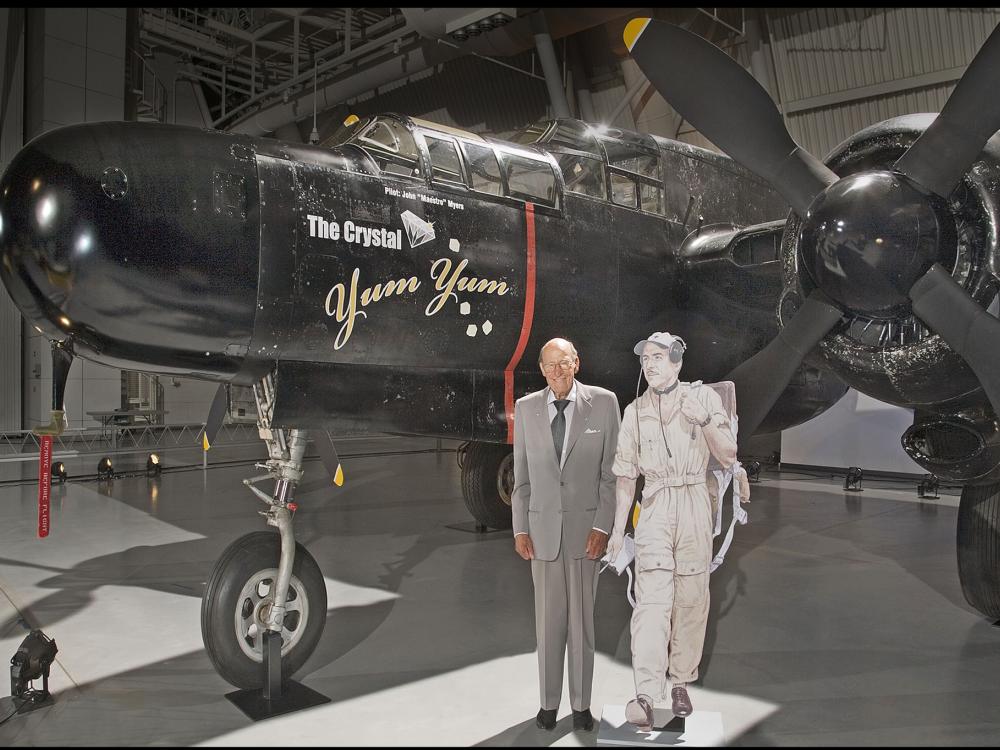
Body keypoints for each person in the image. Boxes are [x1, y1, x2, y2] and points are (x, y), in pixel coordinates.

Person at [606, 331, 740, 731]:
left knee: (692, 596)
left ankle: (681, 682)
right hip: (656, 505)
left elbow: (729, 454)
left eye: (658, 357)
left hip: (695, 499)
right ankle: (646, 693)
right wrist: (617, 532)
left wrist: (704, 422)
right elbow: (626, 476)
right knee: (651, 602)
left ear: (678, 360)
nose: (649, 364)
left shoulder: (704, 400)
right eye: (645, 358)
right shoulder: (635, 411)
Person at [511, 337, 621, 732]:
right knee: (547, 623)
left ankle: (580, 705)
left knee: (582, 626)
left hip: (584, 535)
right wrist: (520, 527)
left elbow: (612, 475)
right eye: (548, 365)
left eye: (563, 363)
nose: (556, 372)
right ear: (540, 369)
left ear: (577, 361)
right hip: (540, 535)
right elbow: (520, 477)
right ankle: (547, 703)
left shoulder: (605, 403)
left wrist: (602, 527)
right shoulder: (525, 409)